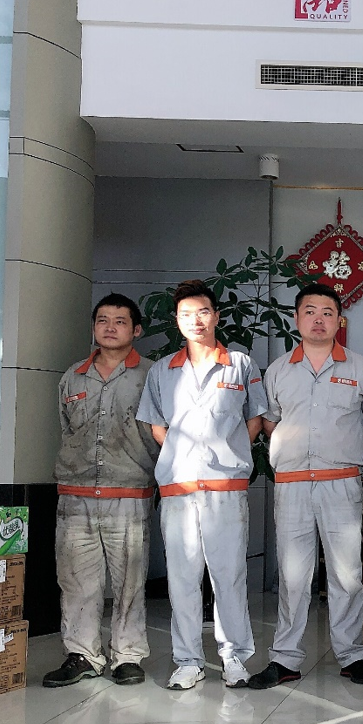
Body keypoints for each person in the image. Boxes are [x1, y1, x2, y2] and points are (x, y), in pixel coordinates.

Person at [247, 283, 363, 690]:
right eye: (310, 311)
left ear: (339, 321)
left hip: (341, 483)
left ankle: (352, 655)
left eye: (327, 312)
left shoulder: (360, 368)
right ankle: (285, 658)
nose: (318, 319)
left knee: (346, 574)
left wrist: (343, 452)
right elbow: (270, 422)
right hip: (292, 485)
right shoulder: (278, 369)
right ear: (296, 318)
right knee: (293, 576)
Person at [137, 279, 267, 690]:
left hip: (225, 488)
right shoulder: (162, 370)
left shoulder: (240, 364)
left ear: (216, 316)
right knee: (182, 578)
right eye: (186, 314)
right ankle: (188, 661)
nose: (196, 320)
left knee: (229, 577)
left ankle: (234, 658)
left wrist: (227, 454)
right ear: (177, 320)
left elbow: (254, 420)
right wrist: (183, 457)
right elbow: (157, 426)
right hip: (179, 490)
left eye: (203, 312)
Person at [44, 294, 161, 688]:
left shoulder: (151, 376)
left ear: (136, 330)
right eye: (103, 320)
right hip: (75, 495)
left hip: (129, 493)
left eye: (120, 321)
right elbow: (66, 427)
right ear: (94, 327)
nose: (110, 327)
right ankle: (82, 655)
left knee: (130, 582)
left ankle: (127, 656)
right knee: (76, 581)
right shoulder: (73, 377)